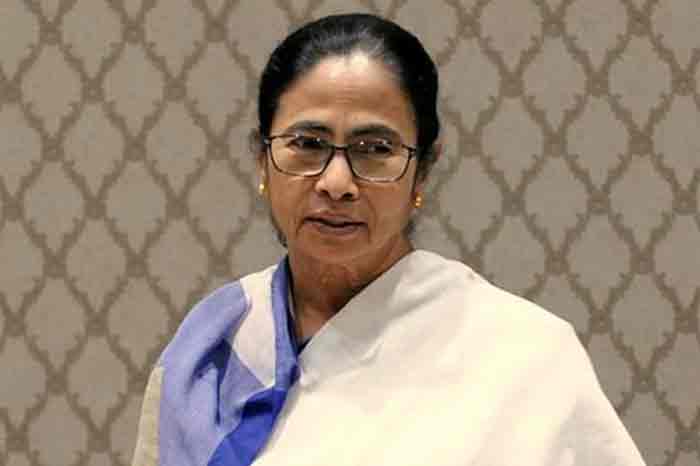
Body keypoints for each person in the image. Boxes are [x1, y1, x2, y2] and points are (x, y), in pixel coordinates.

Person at [131, 13, 647, 466]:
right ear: (262, 162)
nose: (336, 182)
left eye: (375, 148)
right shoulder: (212, 354)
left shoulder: (523, 357)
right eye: (307, 143)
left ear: (422, 173)